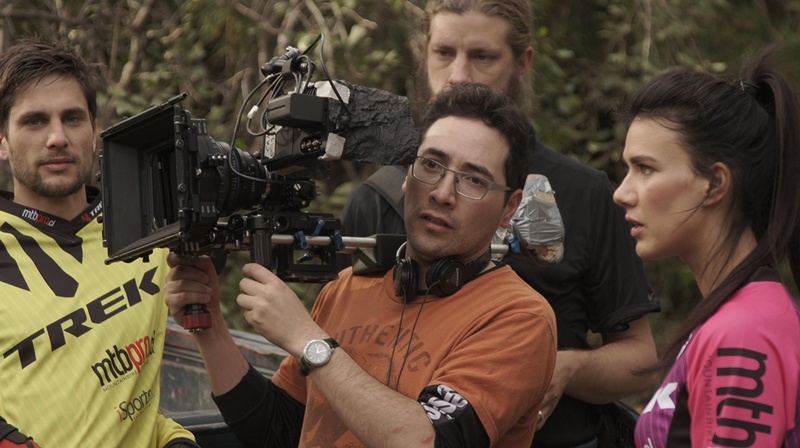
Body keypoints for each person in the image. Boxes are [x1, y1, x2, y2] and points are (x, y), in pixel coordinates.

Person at [339, 1, 661, 446]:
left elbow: (640, 358)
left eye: (482, 56)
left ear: (522, 63)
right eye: (444, 52)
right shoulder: (376, 198)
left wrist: (564, 367)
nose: (458, 75)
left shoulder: (586, 192)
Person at [164, 83, 557, 447]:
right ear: (406, 177)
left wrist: (309, 341)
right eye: (431, 165)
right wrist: (210, 329)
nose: (442, 193)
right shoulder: (346, 289)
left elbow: (426, 441)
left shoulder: (519, 317)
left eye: (473, 180)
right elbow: (280, 432)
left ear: (509, 207)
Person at [0, 38, 198, 447]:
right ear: (2, 141)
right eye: (35, 121)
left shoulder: (150, 230)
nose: (57, 137)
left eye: (72, 118)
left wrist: (174, 438)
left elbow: (123, 402)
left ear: (94, 132)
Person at [614, 47, 800, 447]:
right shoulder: (736, 317)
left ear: (714, 183)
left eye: (645, 168)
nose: (621, 193)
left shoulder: (745, 331)